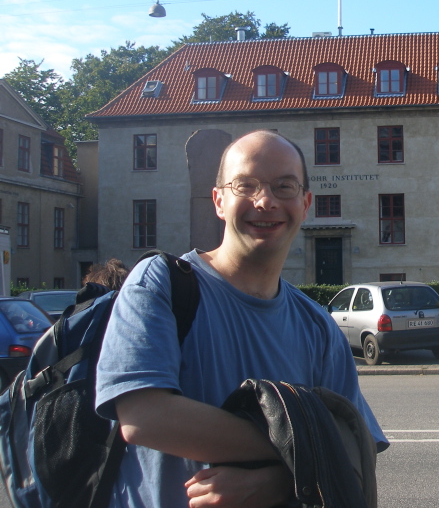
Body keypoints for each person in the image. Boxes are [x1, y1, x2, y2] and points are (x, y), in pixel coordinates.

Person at [95, 130, 387, 508]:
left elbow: (357, 444)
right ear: (219, 201)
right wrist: (306, 449)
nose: (265, 201)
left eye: (284, 186)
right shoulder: (161, 284)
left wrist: (280, 483)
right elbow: (143, 417)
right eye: (245, 186)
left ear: (305, 203)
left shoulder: (318, 327)